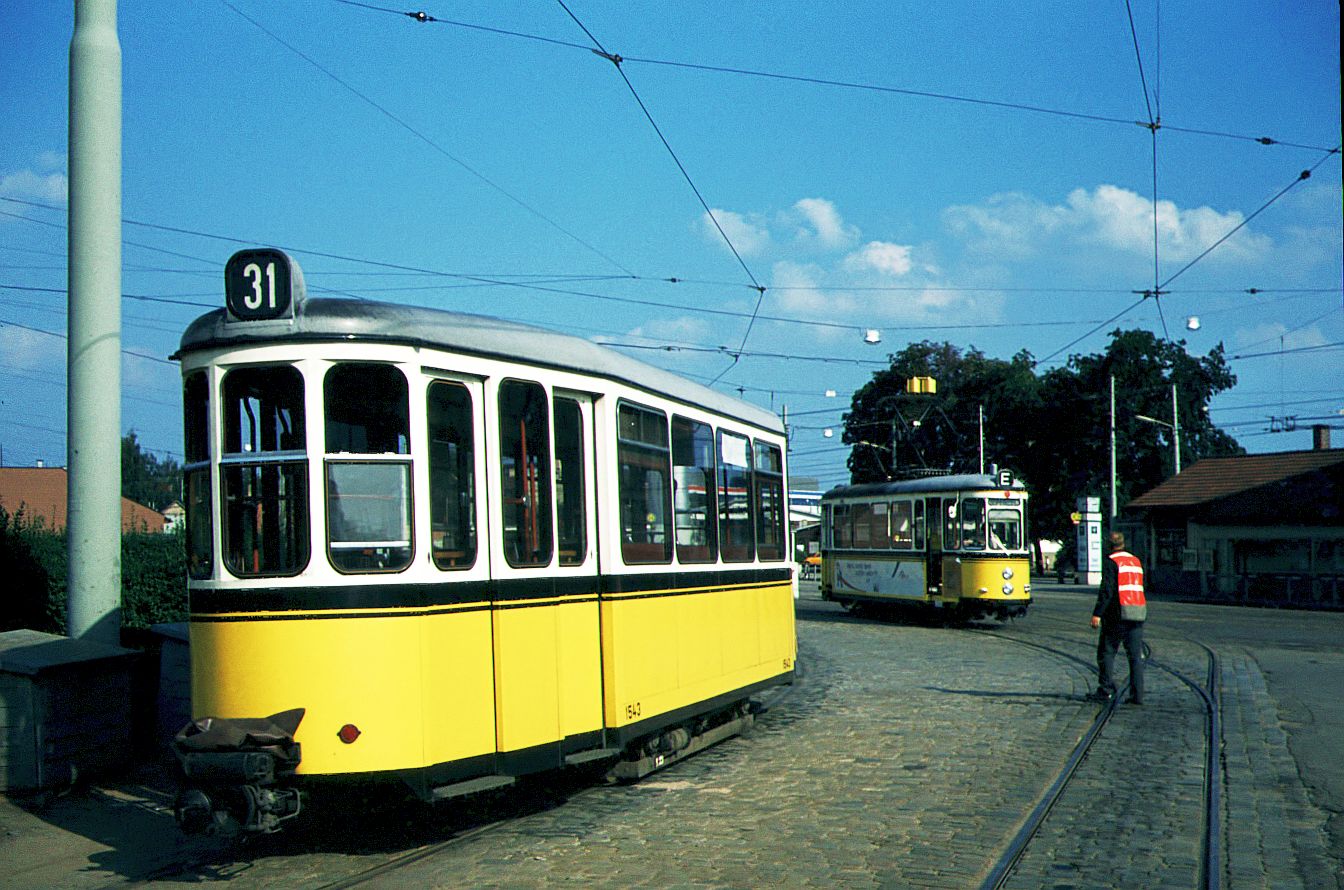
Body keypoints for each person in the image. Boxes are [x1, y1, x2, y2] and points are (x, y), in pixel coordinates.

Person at [1085, 531, 1147, 704]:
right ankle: (1137, 695)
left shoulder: (1112, 562)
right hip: (1138, 611)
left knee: (1107, 652)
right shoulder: (1135, 561)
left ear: (1109, 545)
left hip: (1118, 614)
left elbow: (1107, 590)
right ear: (1123, 543)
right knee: (1135, 656)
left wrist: (1097, 613)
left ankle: (1105, 690)